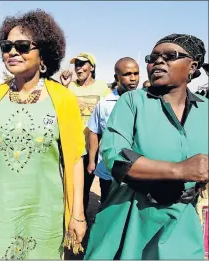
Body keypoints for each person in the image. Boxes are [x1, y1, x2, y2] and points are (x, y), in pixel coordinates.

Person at [0, 9, 86, 259]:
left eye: (22, 46)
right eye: (6, 45)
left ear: (43, 53)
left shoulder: (63, 99)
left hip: (46, 210)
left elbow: (75, 160)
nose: (12, 52)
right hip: (1, 209)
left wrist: (78, 214)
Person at [85, 33, 209, 260]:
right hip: (132, 216)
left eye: (170, 56)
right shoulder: (132, 101)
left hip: (182, 221)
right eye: (154, 57)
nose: (158, 61)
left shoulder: (206, 110)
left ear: (192, 66)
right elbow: (117, 159)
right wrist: (180, 169)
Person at [60, 53, 111, 221]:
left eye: (83, 64)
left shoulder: (103, 88)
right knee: (76, 187)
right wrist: (65, 86)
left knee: (91, 185)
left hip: (94, 146)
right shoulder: (71, 87)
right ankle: (76, 219)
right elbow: (61, 107)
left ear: (92, 67)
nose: (78, 68)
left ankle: (85, 219)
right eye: (77, 64)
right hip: (74, 145)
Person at [87, 57, 140, 204]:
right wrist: (92, 161)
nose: (133, 78)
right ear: (116, 77)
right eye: (128, 74)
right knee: (107, 207)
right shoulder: (104, 105)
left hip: (137, 171)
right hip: (109, 171)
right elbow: (94, 132)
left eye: (136, 73)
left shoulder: (145, 103)